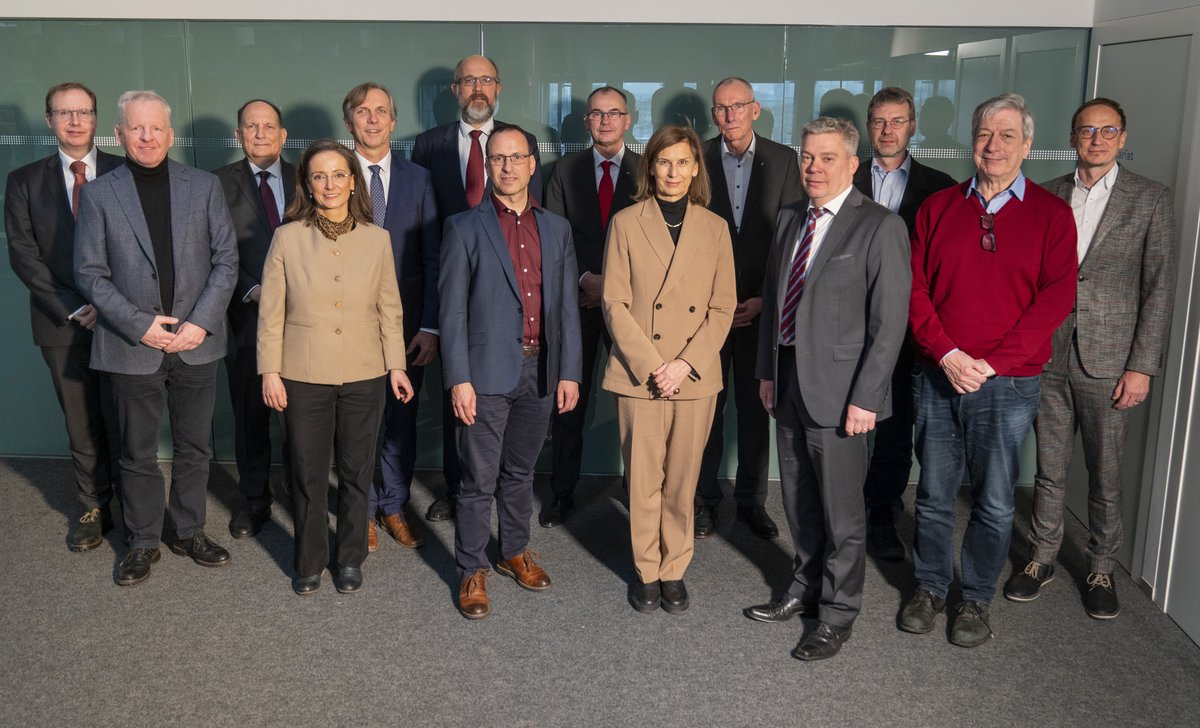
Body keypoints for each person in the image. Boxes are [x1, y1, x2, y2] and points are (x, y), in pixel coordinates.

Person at [902, 93, 1077, 647]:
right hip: (937, 375)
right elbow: (915, 289)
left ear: (1027, 144)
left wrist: (991, 364)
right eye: (983, 134)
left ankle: (974, 599)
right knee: (931, 493)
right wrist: (948, 354)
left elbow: (1056, 299)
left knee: (996, 499)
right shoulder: (938, 208)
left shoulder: (1052, 215)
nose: (993, 145)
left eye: (1006, 136)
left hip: (1009, 383)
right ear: (970, 141)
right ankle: (929, 587)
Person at [1004, 98, 1176, 620]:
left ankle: (1101, 565)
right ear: (1073, 136)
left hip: (1112, 360)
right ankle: (1042, 557)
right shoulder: (1047, 194)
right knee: (1050, 470)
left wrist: (1142, 365)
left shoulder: (1150, 199)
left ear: (1123, 138)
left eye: (1108, 130)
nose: (1097, 139)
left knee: (1104, 473)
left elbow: (1159, 287)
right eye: (1086, 130)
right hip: (1048, 355)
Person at [745, 117, 910, 661]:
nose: (813, 168)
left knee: (843, 513)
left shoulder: (879, 226)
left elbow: (889, 325)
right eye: (807, 158)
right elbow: (775, 297)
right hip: (789, 379)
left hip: (842, 395)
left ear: (852, 164)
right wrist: (767, 372)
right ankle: (804, 589)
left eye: (826, 158)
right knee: (797, 499)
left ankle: (838, 614)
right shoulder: (792, 216)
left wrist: (867, 397)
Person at [74, 90, 238, 586]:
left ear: (170, 134)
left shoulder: (204, 186)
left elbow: (226, 261)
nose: (146, 137)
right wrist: (140, 324)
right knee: (137, 451)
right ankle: (142, 541)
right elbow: (90, 273)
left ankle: (189, 530)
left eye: (155, 128)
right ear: (120, 135)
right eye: (136, 128)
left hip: (196, 342)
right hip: (131, 343)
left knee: (195, 447)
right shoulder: (101, 194)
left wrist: (199, 323)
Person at [257, 139, 414, 595]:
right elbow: (270, 311)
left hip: (366, 372)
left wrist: (396, 366)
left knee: (356, 470)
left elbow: (391, 308)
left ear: (353, 182)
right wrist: (270, 370)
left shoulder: (377, 239)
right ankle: (308, 559)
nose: (330, 184)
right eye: (319, 176)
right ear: (307, 183)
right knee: (306, 472)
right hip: (301, 374)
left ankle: (349, 557)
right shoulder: (286, 236)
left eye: (339, 175)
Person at [439, 125, 581, 619]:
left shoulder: (557, 228)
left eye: (516, 157)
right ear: (488, 165)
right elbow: (451, 311)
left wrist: (570, 372)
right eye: (497, 158)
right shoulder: (462, 227)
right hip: (484, 373)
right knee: (478, 479)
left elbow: (566, 307)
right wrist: (458, 378)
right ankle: (470, 567)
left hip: (541, 369)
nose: (507, 166)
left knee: (521, 472)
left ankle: (513, 552)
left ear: (531, 163)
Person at [601, 125, 735, 615]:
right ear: (649, 167)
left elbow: (723, 309)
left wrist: (683, 365)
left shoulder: (715, 228)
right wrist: (654, 364)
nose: (673, 172)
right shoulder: (626, 223)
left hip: (694, 377)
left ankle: (675, 567)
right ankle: (646, 569)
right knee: (643, 480)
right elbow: (613, 302)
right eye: (663, 162)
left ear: (696, 168)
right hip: (641, 375)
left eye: (683, 162)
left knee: (682, 480)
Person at [412, 54, 543, 522]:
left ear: (499, 87)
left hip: (504, 290)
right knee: (458, 395)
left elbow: (534, 219)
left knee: (510, 398)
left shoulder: (520, 145)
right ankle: (458, 488)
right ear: (455, 90)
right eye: (468, 81)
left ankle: (507, 495)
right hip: (450, 283)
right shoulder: (428, 146)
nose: (477, 88)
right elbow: (422, 224)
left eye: (486, 79)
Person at [5, 82, 122, 551]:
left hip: (120, 319)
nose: (75, 121)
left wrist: (110, 305)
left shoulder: (124, 171)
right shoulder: (24, 181)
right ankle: (93, 504)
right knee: (80, 418)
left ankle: (135, 503)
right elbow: (23, 255)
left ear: (96, 119)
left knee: (126, 415)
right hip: (60, 322)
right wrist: (75, 306)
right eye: (64, 113)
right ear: (49, 119)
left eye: (84, 112)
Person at [696, 76, 804, 541]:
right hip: (705, 310)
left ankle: (751, 504)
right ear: (713, 114)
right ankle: (703, 501)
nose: (730, 115)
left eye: (738, 106)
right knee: (706, 412)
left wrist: (765, 298)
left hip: (762, 308)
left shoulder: (785, 160)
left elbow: (793, 239)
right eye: (721, 108)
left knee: (756, 410)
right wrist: (711, 301)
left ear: (755, 110)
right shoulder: (696, 158)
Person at [852, 87, 957, 560]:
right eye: (879, 121)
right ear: (867, 126)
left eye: (897, 120)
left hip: (909, 328)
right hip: (848, 324)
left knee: (895, 428)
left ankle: (881, 518)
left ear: (912, 125)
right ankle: (842, 516)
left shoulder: (941, 187)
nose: (888, 130)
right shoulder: (844, 178)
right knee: (844, 425)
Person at [341, 82, 441, 552]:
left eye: (382, 111)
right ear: (350, 122)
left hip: (406, 325)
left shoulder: (418, 179)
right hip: (347, 327)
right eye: (364, 111)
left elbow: (432, 257)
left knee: (402, 420)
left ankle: (394, 505)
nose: (373, 119)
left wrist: (429, 325)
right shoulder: (332, 174)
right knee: (356, 423)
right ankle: (359, 511)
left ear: (394, 121)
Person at [540, 85, 640, 527]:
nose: (605, 121)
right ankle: (562, 492)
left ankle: (639, 491)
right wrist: (586, 280)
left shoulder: (647, 170)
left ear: (628, 120)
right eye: (596, 114)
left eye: (613, 113)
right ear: (587, 122)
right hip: (577, 301)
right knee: (569, 402)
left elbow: (652, 241)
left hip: (633, 307)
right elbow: (555, 236)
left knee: (636, 402)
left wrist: (613, 286)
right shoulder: (564, 170)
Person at [213, 98, 295, 539]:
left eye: (269, 126)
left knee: (304, 414)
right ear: (238, 135)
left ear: (282, 135)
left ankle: (304, 493)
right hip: (246, 314)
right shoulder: (216, 185)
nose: (260, 134)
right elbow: (214, 248)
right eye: (251, 126)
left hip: (307, 320)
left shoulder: (310, 176)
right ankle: (256, 500)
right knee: (251, 415)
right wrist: (253, 288)